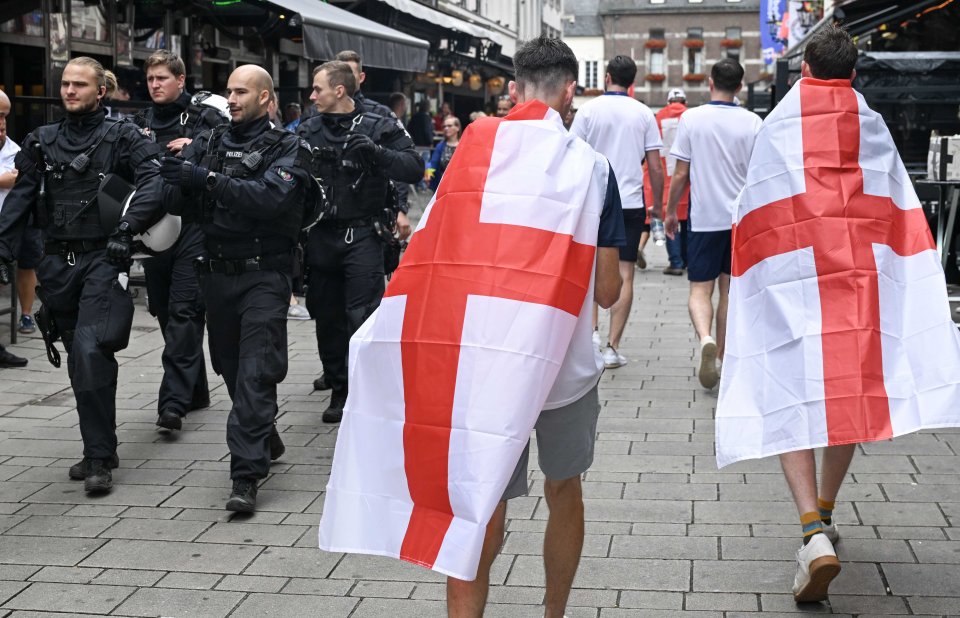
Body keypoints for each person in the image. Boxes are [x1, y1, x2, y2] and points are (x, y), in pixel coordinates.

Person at [442, 36, 625, 617]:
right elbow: (606, 291)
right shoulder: (594, 171)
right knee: (563, 487)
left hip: (486, 358)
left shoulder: (472, 159)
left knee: (484, 499)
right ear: (570, 91)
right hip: (563, 367)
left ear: (515, 90)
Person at [0, 57, 164, 492]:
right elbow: (20, 197)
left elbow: (155, 181)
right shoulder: (41, 140)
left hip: (103, 260)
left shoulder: (124, 137)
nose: (70, 90)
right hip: (57, 265)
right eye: (66, 84)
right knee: (79, 358)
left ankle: (97, 459)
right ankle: (101, 445)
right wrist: (2, 245)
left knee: (92, 351)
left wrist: (128, 229)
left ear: (100, 91)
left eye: (79, 84)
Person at [160, 64, 313, 512]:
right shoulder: (208, 141)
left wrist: (203, 179)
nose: (232, 99)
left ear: (266, 98)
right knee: (229, 366)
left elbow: (267, 199)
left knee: (256, 371)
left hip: (265, 274)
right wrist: (174, 178)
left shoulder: (290, 147)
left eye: (242, 92)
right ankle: (264, 434)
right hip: (216, 272)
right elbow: (176, 200)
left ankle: (245, 474)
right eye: (229, 91)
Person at [297, 61, 423, 423]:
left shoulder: (378, 125)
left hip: (364, 235)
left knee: (362, 315)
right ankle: (339, 388)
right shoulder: (308, 128)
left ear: (339, 90)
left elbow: (414, 167)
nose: (311, 95)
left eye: (317, 88)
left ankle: (367, 389)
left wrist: (376, 155)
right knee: (327, 316)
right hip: (321, 235)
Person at [132, 49, 224, 432]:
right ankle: (195, 390)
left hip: (193, 226)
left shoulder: (207, 116)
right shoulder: (140, 121)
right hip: (154, 228)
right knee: (165, 312)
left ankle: (171, 405)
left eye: (162, 79)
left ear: (181, 80)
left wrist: (197, 142)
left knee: (185, 311)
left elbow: (229, 142)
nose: (155, 85)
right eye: (151, 79)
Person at [664, 58, 761, 389]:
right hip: (741, 222)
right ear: (740, 87)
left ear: (709, 82)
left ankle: (705, 338)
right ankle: (720, 358)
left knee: (699, 290)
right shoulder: (753, 122)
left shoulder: (692, 119)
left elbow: (681, 172)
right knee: (729, 292)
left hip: (704, 218)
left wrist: (669, 211)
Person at [571, 55, 663, 369]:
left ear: (607, 77)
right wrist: (659, 205)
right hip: (631, 203)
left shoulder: (587, 110)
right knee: (625, 274)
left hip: (593, 201)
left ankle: (592, 336)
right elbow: (654, 166)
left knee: (590, 269)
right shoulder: (644, 113)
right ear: (632, 81)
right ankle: (612, 347)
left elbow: (572, 157)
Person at [0, 89, 41, 340]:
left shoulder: (15, 150)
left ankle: (26, 313)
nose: (2, 123)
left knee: (28, 257)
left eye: (4, 116)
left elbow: (15, 178)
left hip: (16, 220)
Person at [645, 87, 689, 276]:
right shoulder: (691, 116)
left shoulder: (659, 117)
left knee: (670, 219)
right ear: (684, 101)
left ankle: (676, 262)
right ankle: (687, 259)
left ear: (668, 101)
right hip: (688, 176)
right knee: (687, 220)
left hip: (665, 176)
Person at [425, 115, 460, 191]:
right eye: (444, 126)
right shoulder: (440, 146)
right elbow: (432, 163)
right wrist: (427, 175)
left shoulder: (464, 146)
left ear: (457, 128)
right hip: (442, 187)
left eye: (449, 126)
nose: (446, 128)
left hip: (459, 186)